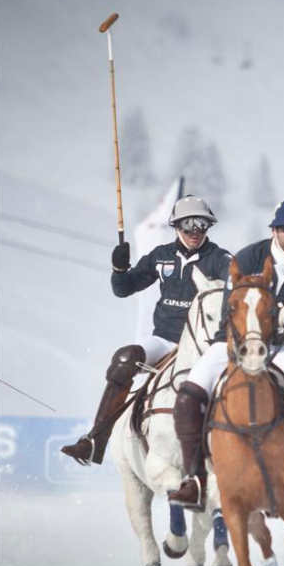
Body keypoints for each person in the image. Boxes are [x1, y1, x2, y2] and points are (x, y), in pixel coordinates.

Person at [168, 199, 284, 508]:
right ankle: (194, 478)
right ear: (275, 230)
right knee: (188, 396)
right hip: (233, 345)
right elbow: (229, 311)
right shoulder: (248, 259)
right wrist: (275, 315)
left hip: (282, 348)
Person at [61, 195, 232, 466]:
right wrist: (119, 268)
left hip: (203, 346)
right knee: (124, 360)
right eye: (188, 225)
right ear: (176, 226)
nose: (195, 231)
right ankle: (95, 441)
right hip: (165, 341)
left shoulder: (220, 259)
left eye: (201, 225)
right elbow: (123, 289)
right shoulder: (160, 256)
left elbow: (240, 288)